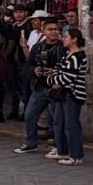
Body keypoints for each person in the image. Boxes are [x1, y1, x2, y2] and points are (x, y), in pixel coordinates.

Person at [14, 19, 66, 154]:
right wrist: (35, 70)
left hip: (56, 87)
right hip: (40, 86)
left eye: (56, 29)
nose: (54, 32)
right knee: (30, 115)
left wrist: (55, 72)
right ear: (43, 31)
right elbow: (29, 63)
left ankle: (57, 145)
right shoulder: (38, 47)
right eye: (50, 29)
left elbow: (69, 67)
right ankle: (31, 142)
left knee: (56, 119)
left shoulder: (63, 47)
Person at [46, 27, 88, 166]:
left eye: (66, 37)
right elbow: (56, 71)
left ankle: (76, 155)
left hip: (72, 94)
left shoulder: (78, 56)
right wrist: (54, 80)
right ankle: (62, 150)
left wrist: (56, 80)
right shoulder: (67, 55)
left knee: (71, 125)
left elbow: (69, 77)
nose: (64, 39)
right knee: (58, 123)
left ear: (74, 39)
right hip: (61, 94)